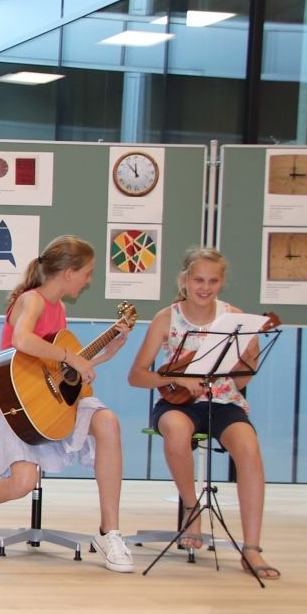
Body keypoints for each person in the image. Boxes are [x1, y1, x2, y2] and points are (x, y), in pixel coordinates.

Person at [0, 235, 134, 573]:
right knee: (22, 482)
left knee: (108, 422)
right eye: (87, 273)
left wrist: (104, 354)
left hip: (49, 403)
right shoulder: (31, 300)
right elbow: (23, 340)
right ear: (69, 273)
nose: (89, 280)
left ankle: (109, 532)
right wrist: (71, 356)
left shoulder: (60, 310)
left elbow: (60, 373)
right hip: (14, 401)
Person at [127, 247, 278, 579]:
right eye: (198, 280)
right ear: (184, 279)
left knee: (249, 448)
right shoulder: (166, 318)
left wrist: (250, 354)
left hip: (223, 402)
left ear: (222, 282)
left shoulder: (235, 318)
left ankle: (252, 548)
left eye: (213, 281)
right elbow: (136, 376)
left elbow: (240, 382)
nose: (205, 287)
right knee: (177, 430)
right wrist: (176, 378)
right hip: (177, 402)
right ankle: (191, 507)